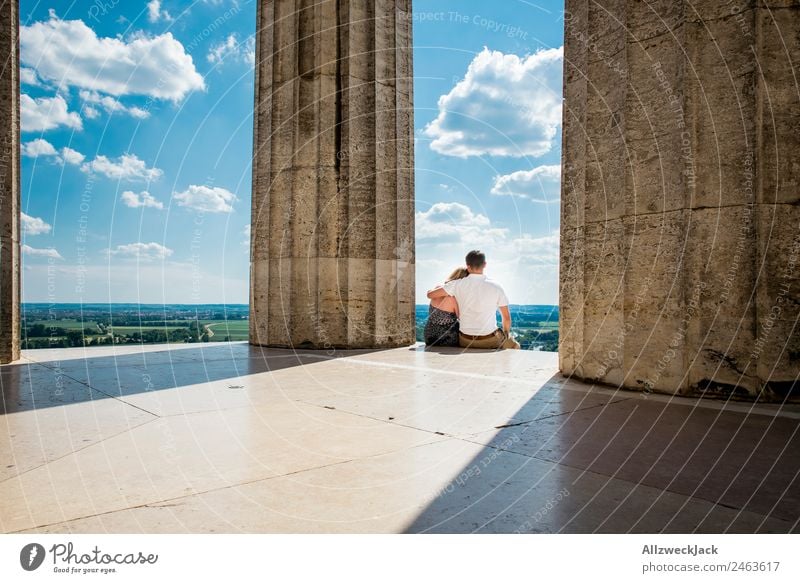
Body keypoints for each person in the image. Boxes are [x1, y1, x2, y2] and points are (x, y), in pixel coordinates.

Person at [426, 250, 520, 350]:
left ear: (468, 265)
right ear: (485, 264)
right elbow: (506, 318)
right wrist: (505, 335)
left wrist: (439, 288)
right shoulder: (496, 287)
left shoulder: (457, 284)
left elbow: (430, 295)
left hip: (465, 341)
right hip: (490, 340)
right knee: (515, 345)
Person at [423, 267, 468, 346]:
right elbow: (461, 318)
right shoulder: (453, 299)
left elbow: (429, 293)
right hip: (446, 338)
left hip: (429, 336)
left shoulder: (437, 288)